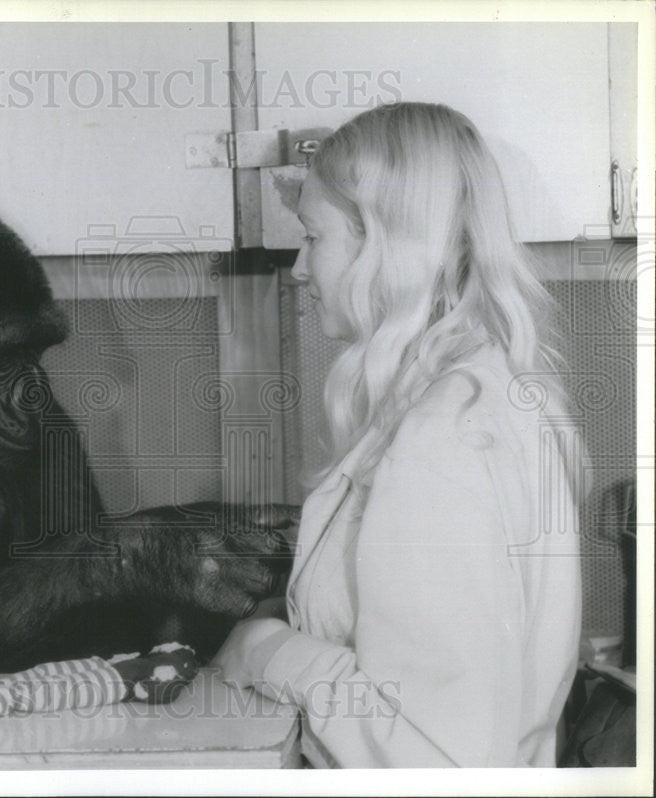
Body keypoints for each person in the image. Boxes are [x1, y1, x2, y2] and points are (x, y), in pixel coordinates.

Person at [212, 102, 583, 768]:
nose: (298, 268)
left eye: (314, 237)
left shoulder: (438, 443)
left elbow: (434, 755)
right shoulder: (486, 394)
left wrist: (271, 652)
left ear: (380, 244)